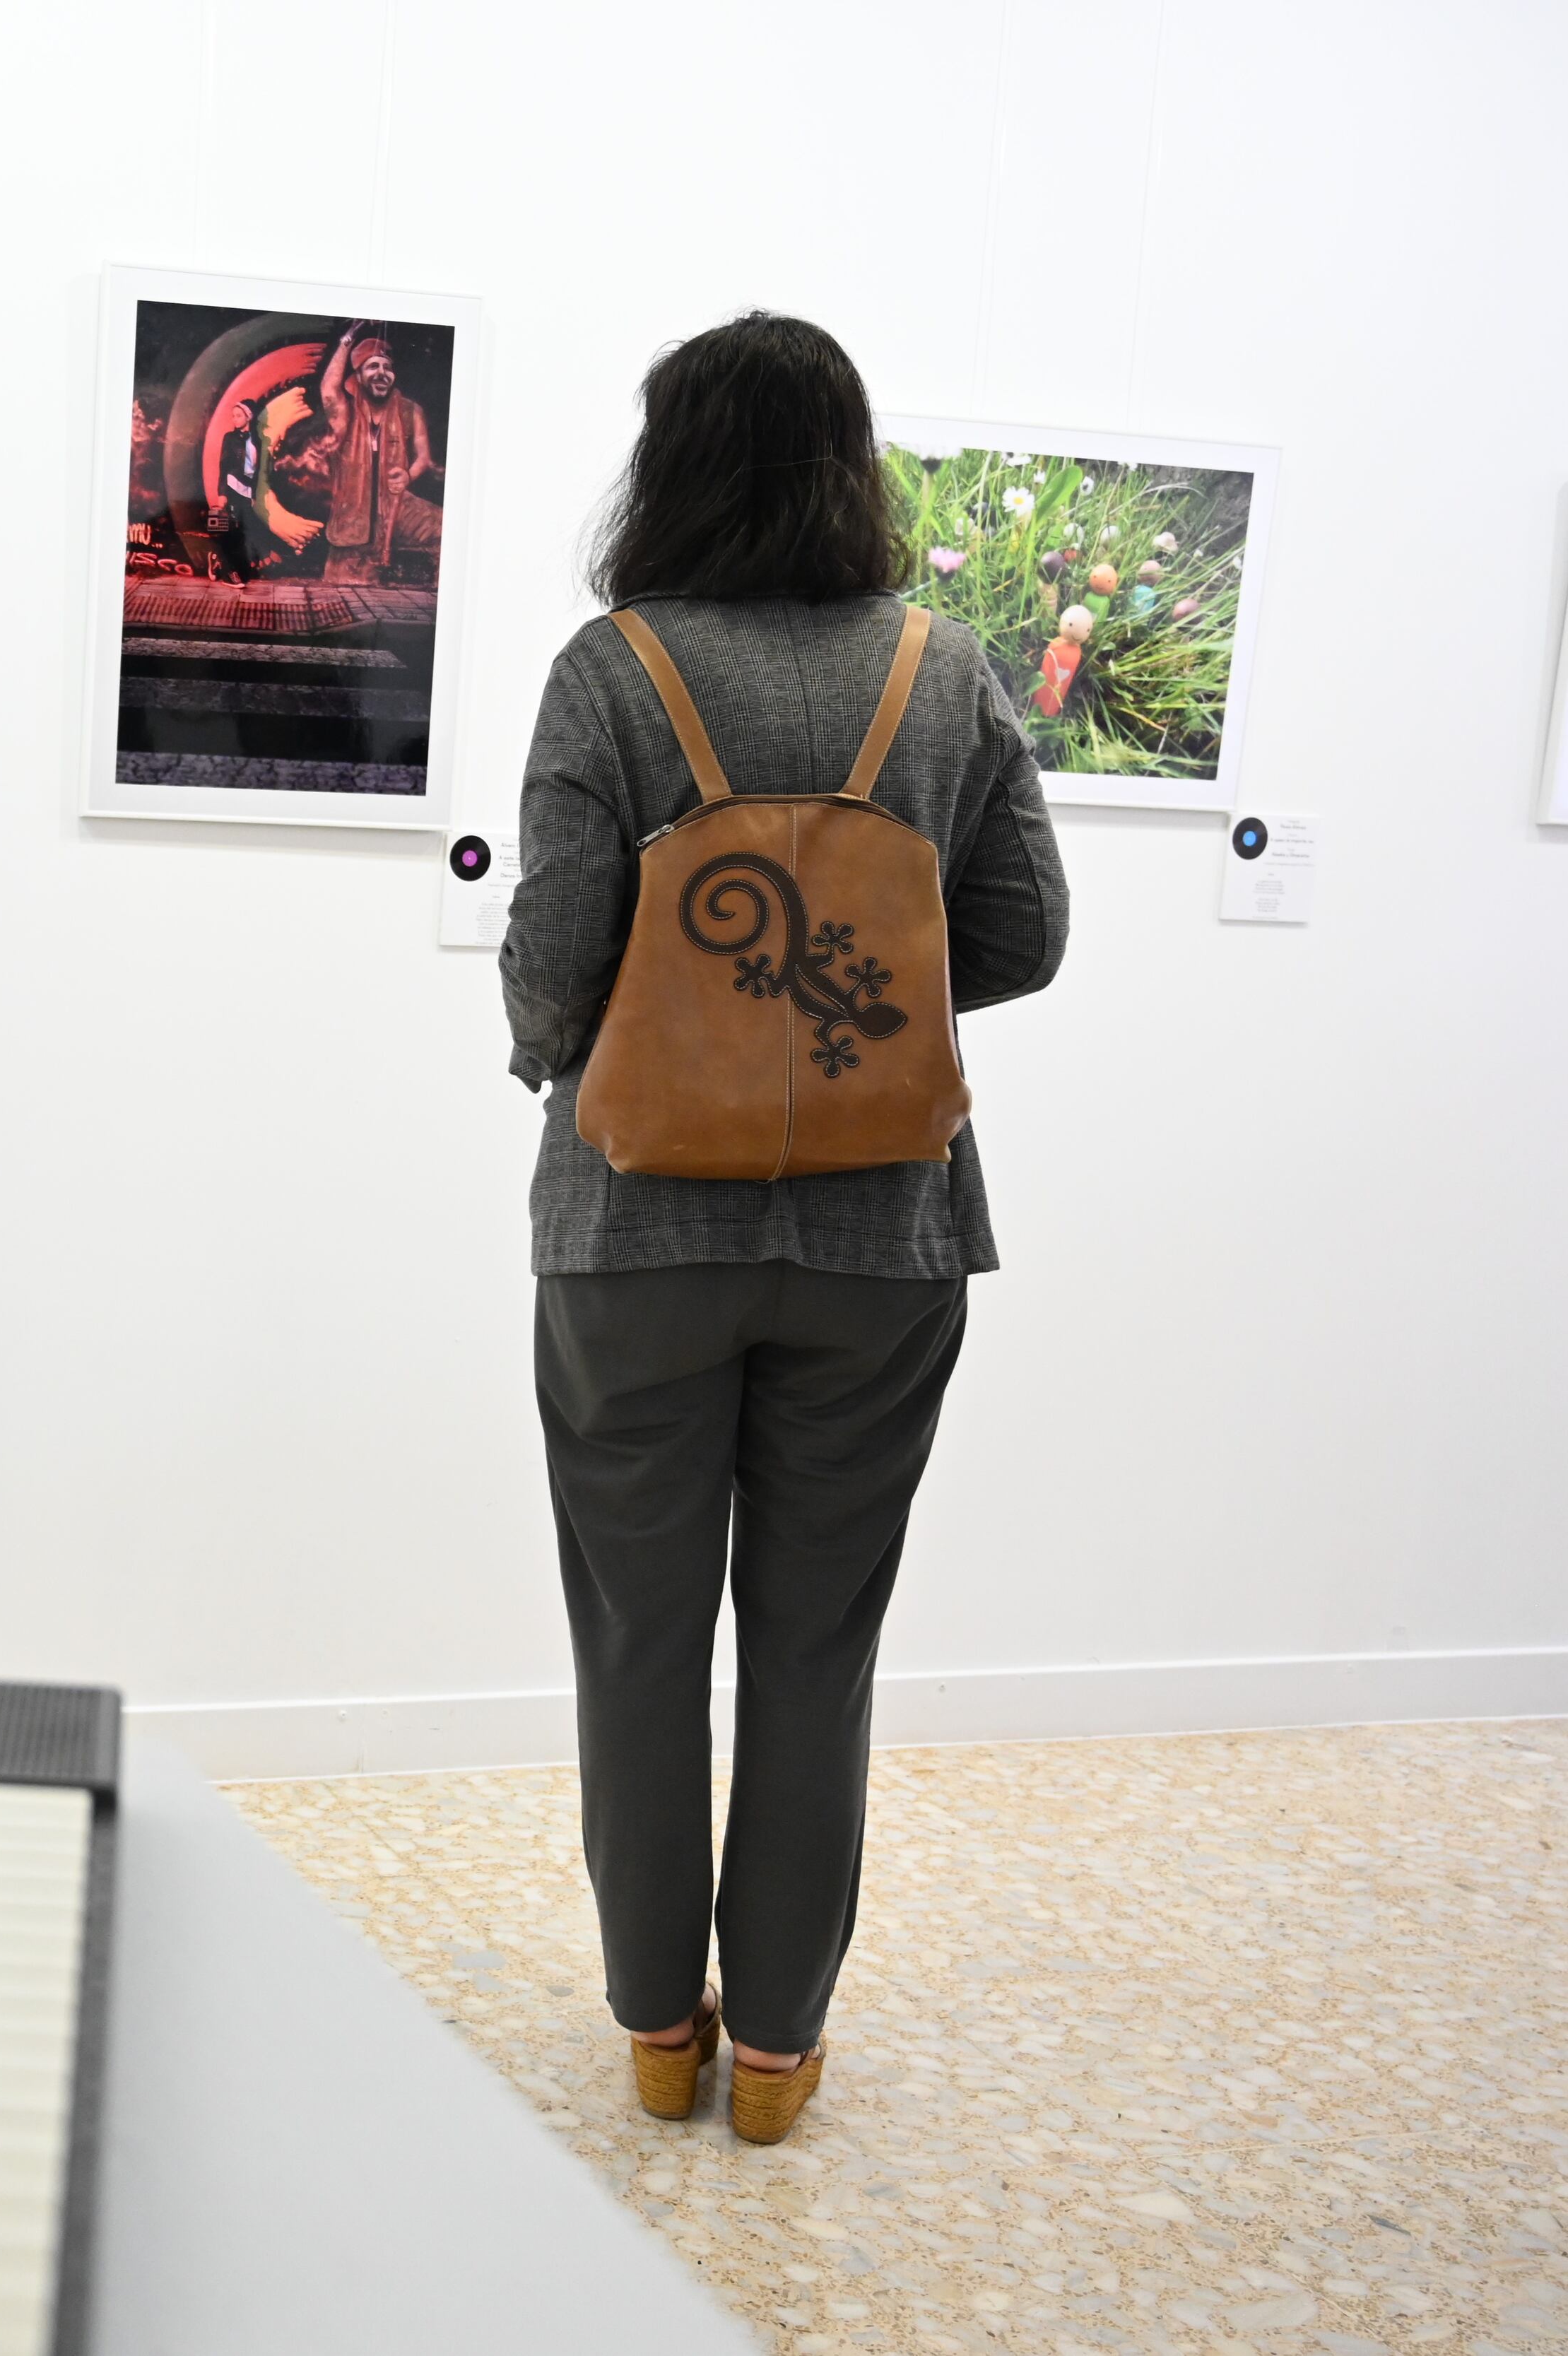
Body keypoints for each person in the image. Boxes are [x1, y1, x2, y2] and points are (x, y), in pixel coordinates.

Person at [498, 312, 1070, 2145]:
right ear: (853, 461)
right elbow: (1029, 933)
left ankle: (660, 2024)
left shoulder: (615, 668)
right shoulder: (947, 665)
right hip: (884, 1235)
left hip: (633, 1232)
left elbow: (556, 947)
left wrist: (560, 1053)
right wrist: (861, 999)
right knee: (819, 1642)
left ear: (667, 465)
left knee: (638, 1636)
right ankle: (780, 2050)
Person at [292, 324, 444, 582]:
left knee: (444, 529)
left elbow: (423, 459)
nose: (382, 373)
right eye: (373, 367)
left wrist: (408, 476)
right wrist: (348, 338)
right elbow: (328, 389)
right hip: (353, 519)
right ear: (359, 376)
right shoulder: (345, 415)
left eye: (387, 367)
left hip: (398, 508)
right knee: (347, 592)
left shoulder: (410, 411)